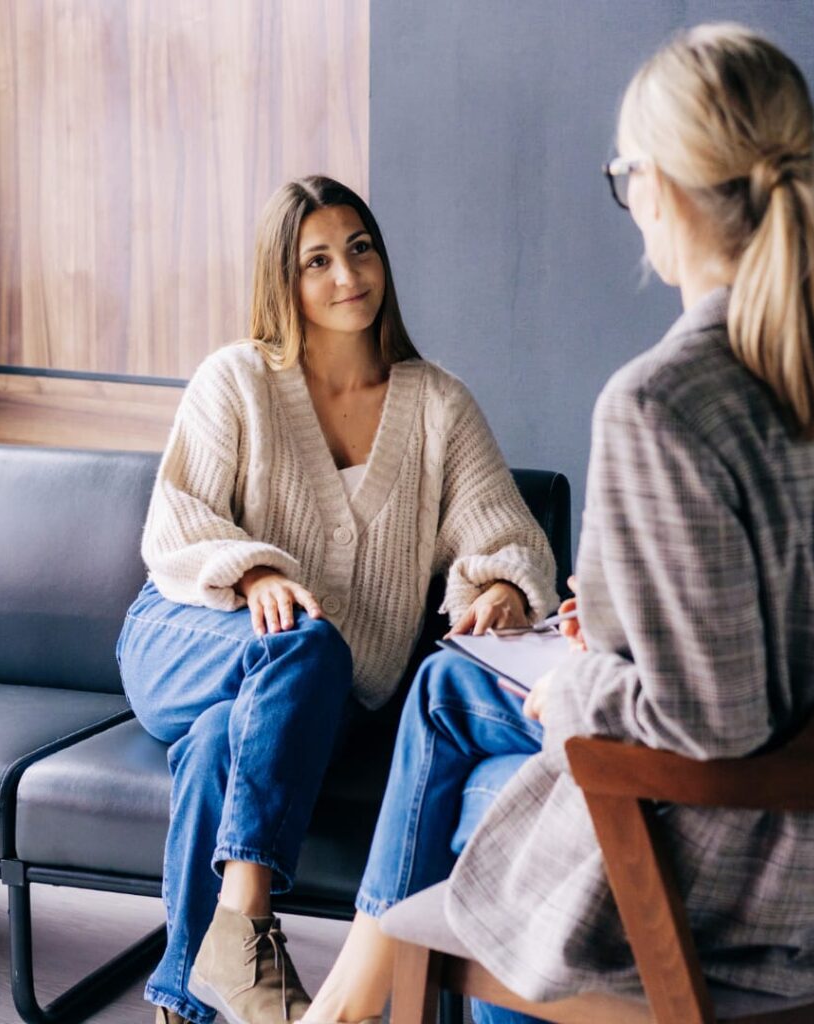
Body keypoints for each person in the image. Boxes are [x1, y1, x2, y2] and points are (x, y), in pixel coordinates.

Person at [299, 23, 814, 1024]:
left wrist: (578, 687)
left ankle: (366, 1002)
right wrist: (612, 640)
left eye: (623, 175)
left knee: (485, 827)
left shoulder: (661, 402)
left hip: (727, 881)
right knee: (448, 684)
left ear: (656, 187)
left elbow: (710, 720)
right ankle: (344, 1004)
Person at [116, 175, 558, 1024]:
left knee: (226, 738)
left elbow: (504, 533)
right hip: (189, 637)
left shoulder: (437, 405)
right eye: (316, 259)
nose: (346, 274)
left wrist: (500, 585)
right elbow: (176, 524)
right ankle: (244, 929)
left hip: (332, 694)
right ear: (283, 279)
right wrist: (253, 574)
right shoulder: (236, 379)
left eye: (359, 248)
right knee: (309, 642)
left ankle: (189, 998)